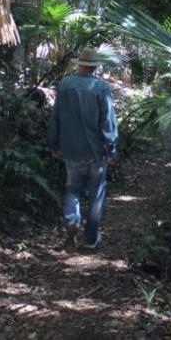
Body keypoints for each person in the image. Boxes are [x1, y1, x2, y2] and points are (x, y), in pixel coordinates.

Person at [48, 47, 118, 252]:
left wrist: (54, 144)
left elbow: (56, 117)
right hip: (96, 152)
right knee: (96, 193)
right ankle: (90, 238)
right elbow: (108, 122)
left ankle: (72, 221)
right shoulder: (101, 87)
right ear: (94, 67)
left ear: (79, 64)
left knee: (72, 189)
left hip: (70, 150)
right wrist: (111, 149)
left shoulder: (65, 84)